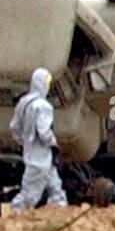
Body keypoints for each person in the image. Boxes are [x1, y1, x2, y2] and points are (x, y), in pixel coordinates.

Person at [9, 67, 68, 211]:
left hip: (32, 153)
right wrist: (53, 143)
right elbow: (44, 132)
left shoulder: (23, 102)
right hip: (40, 156)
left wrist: (24, 141)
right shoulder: (44, 106)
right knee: (30, 194)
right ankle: (16, 213)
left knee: (55, 187)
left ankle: (58, 210)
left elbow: (14, 127)